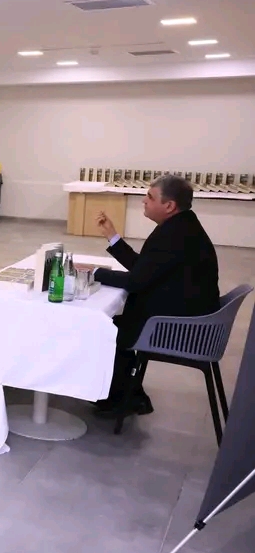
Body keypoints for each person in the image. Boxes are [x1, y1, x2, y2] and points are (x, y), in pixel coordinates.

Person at [93, 175, 220, 415]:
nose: (144, 201)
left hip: (183, 327)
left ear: (169, 206)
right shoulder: (181, 226)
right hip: (189, 315)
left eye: (150, 197)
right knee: (114, 323)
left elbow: (136, 281)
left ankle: (121, 398)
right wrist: (113, 237)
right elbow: (145, 269)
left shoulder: (174, 234)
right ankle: (128, 395)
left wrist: (94, 273)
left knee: (107, 328)